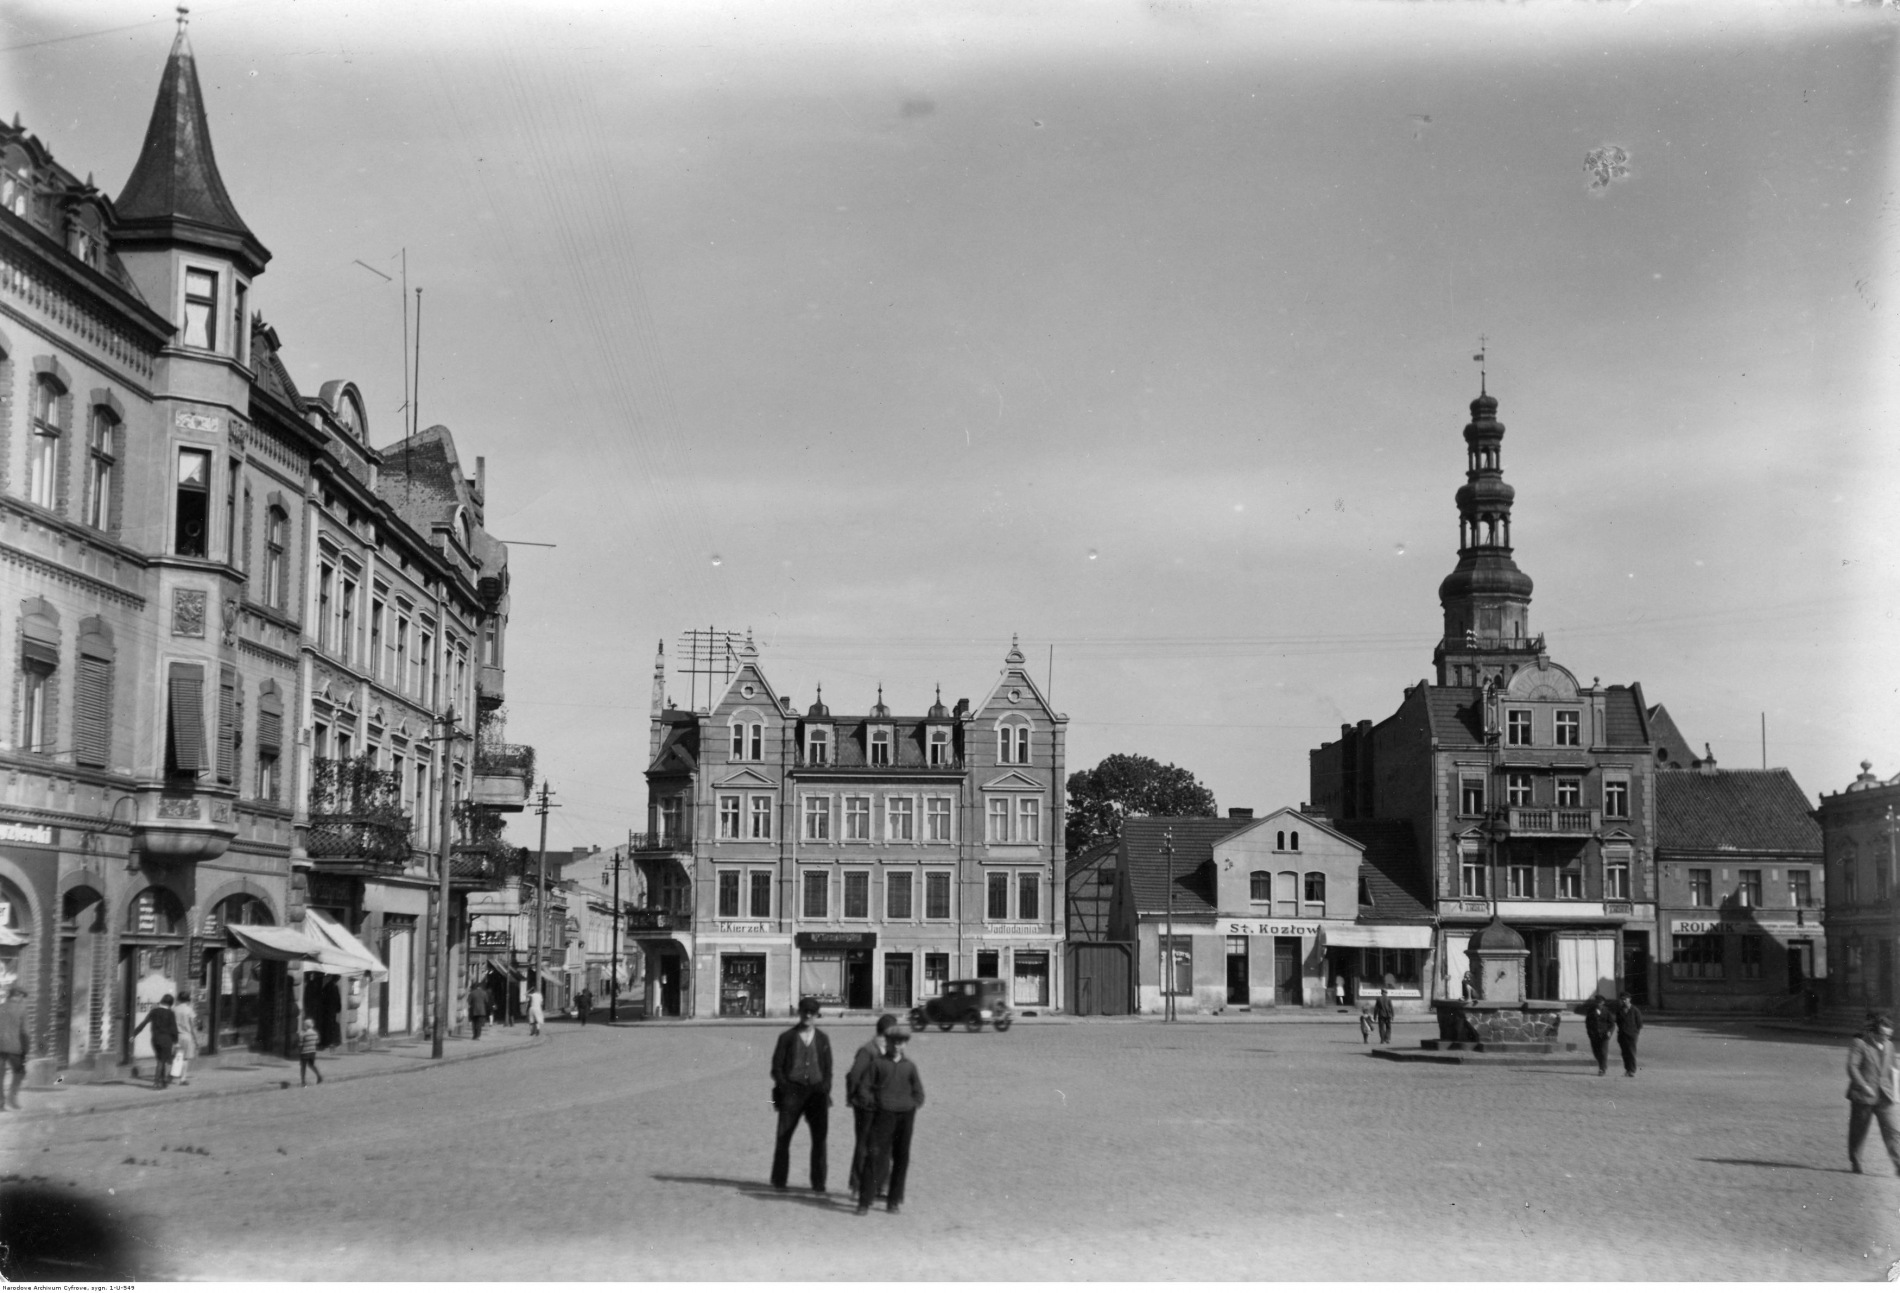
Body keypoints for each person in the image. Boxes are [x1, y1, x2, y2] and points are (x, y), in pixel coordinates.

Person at [857, 1019, 925, 1216]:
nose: (897, 1046)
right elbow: (864, 1089)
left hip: (905, 1117)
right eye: (893, 1042)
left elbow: (919, 1092)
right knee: (874, 1156)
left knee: (901, 1158)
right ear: (887, 1042)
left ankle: (893, 1201)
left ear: (905, 1044)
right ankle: (864, 1202)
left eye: (901, 1042)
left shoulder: (910, 1066)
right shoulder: (877, 1064)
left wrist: (912, 1105)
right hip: (883, 1116)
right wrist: (876, 1104)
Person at [769, 996, 833, 1195]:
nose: (808, 1015)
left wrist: (824, 1088)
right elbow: (776, 1068)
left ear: (817, 1015)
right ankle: (779, 1180)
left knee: (819, 1139)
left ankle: (818, 1183)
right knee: (783, 1137)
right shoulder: (787, 1037)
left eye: (812, 1012)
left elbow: (828, 1068)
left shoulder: (822, 1039)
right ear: (799, 1013)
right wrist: (785, 1087)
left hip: (816, 1093)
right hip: (793, 1092)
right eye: (805, 1011)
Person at [846, 1014, 895, 1196]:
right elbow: (854, 1076)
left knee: (885, 1145)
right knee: (864, 1144)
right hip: (866, 1107)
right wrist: (857, 1098)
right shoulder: (868, 1050)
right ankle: (857, 1185)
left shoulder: (890, 1050)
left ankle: (880, 1185)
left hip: (885, 1106)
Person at [1846, 1013, 1900, 1175]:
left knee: (1892, 1130)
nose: (1886, 1038)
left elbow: (1894, 1070)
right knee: (1859, 1131)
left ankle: (1899, 1164)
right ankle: (1856, 1161)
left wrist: (1896, 1093)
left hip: (1885, 1096)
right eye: (1883, 1035)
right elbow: (1852, 1067)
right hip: (1864, 1096)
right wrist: (1863, 1086)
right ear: (1874, 1032)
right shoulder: (1860, 1043)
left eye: (1889, 1036)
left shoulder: (1889, 1045)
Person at [131, 993, 179, 1090]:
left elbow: (144, 1023)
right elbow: (173, 1028)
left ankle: (163, 1081)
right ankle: (156, 1082)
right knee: (161, 1061)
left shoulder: (154, 1011)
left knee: (161, 1059)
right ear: (170, 1003)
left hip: (155, 1039)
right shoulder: (170, 1013)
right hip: (166, 1040)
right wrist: (176, 1041)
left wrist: (134, 1034)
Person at [0, 985, 30, 1110]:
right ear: (19, 996)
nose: (23, 1000)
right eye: (23, 997)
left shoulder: (1, 1007)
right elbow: (25, 1032)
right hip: (14, 1047)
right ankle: (12, 1099)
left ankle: (0, 1103)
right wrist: (26, 1049)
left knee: (0, 1074)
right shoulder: (22, 1010)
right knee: (19, 1073)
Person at [1581, 992, 1616, 1077]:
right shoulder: (1591, 1011)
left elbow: (1612, 1024)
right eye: (1597, 1002)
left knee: (1603, 1052)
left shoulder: (1607, 1011)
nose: (1598, 1004)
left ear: (1603, 1003)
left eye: (1600, 1003)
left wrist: (1609, 1032)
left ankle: (1602, 1069)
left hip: (1604, 1035)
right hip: (1594, 1035)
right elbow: (1588, 1023)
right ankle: (1602, 1065)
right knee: (1596, 1052)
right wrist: (1590, 1033)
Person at [173, 990, 200, 1086]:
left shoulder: (174, 1009)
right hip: (187, 1036)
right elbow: (192, 1026)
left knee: (178, 1056)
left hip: (177, 1036)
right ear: (188, 999)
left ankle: (173, 1075)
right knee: (185, 1058)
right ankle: (183, 1078)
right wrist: (196, 1040)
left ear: (178, 999)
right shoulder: (189, 1010)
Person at [1614, 992, 1643, 1077]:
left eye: (1625, 999)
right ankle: (1627, 1069)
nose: (1623, 1001)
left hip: (1632, 1035)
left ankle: (1632, 1070)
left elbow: (1639, 1024)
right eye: (1622, 999)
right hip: (1622, 1035)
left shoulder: (1635, 1010)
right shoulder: (1619, 1010)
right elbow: (1618, 1022)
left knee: (1631, 1052)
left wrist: (1635, 1033)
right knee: (1624, 1053)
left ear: (1629, 999)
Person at [298, 1015, 323, 1086]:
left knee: (303, 1067)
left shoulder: (303, 1034)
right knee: (312, 1065)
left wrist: (299, 1052)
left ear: (306, 1025)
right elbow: (317, 1042)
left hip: (305, 1052)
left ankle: (303, 1082)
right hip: (312, 1052)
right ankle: (319, 1076)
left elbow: (300, 1044)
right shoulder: (315, 1033)